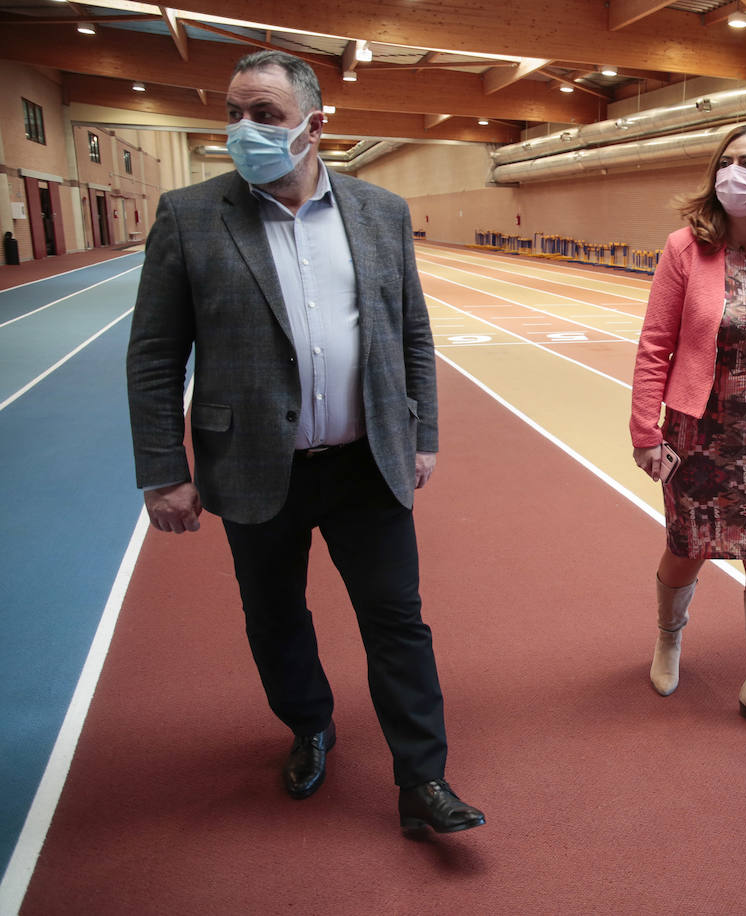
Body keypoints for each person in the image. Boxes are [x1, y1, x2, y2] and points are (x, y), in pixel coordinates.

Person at [126, 50, 484, 834]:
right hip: (254, 465)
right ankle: (310, 725)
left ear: (314, 126)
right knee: (276, 616)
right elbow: (155, 353)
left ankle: (424, 781)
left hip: (366, 462)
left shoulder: (379, 212)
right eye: (233, 113)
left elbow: (411, 332)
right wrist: (163, 470)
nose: (242, 130)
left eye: (265, 115)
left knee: (397, 621)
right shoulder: (191, 216)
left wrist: (421, 430)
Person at [630, 124, 746, 746]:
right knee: (688, 545)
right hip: (697, 431)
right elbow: (655, 343)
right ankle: (667, 641)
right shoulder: (685, 247)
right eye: (729, 161)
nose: (737, 171)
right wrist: (644, 429)